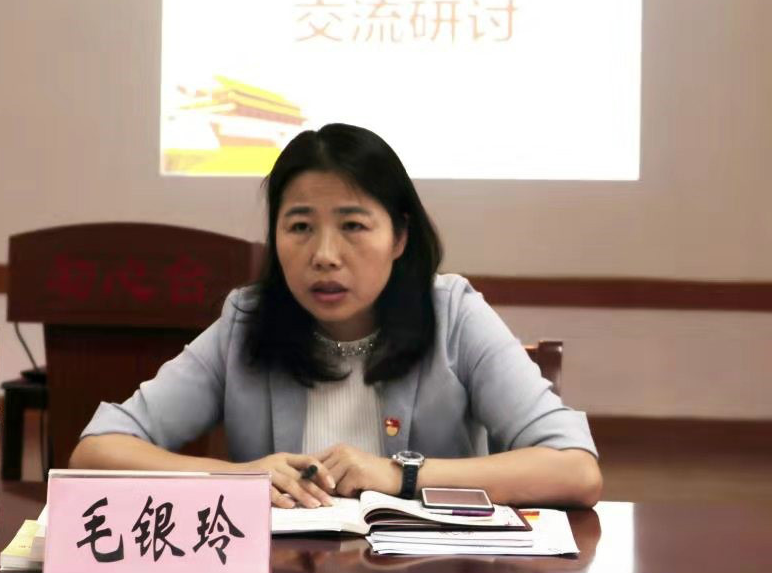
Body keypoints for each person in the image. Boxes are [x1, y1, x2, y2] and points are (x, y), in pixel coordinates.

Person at [70, 123, 602, 509]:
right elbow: (97, 450)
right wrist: (236, 478)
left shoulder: (453, 316)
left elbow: (576, 470)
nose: (324, 255)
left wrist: (400, 476)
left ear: (399, 237)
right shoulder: (246, 321)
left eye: (353, 226)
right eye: (300, 227)